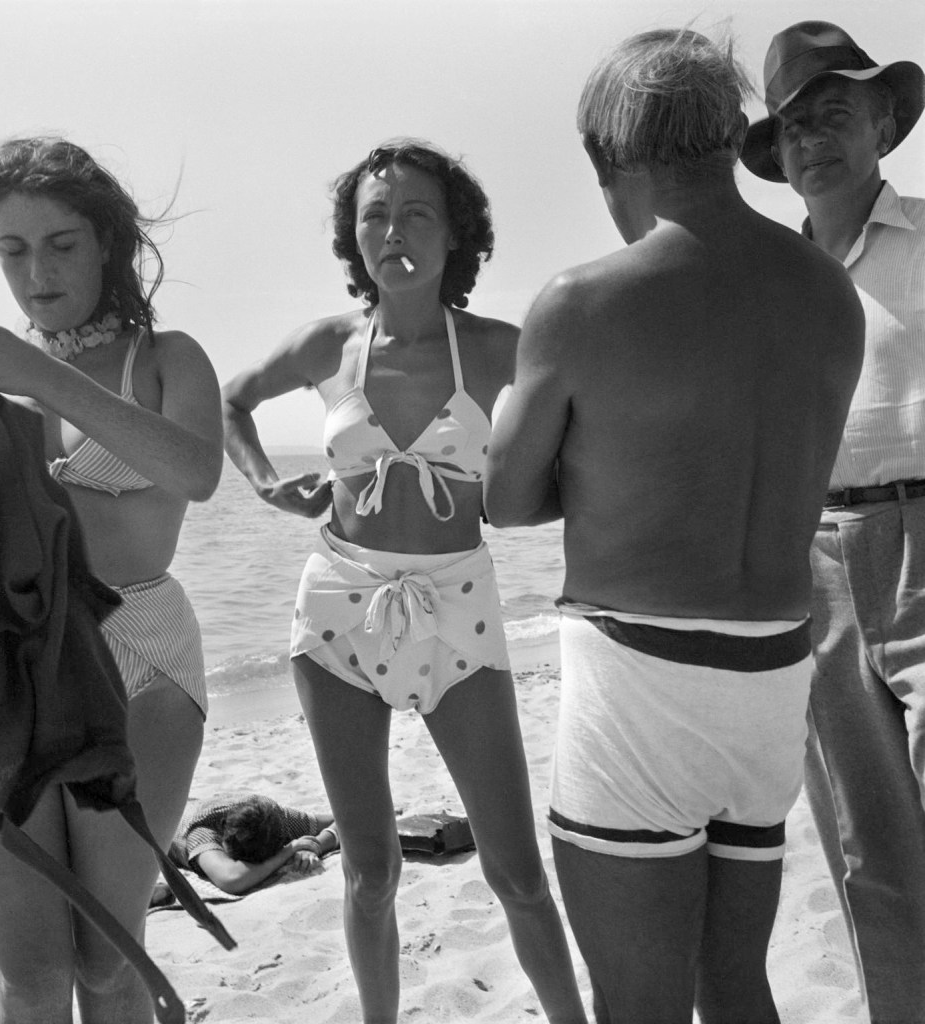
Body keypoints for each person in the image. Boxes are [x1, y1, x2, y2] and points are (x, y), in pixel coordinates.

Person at [485, 29, 864, 1024]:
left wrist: (608, 459)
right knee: (735, 983)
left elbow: (505, 498)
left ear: (612, 157)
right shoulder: (828, 289)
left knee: (639, 1002)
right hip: (776, 674)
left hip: (642, 680)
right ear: (734, 139)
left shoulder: (579, 302)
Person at [222, 138, 587, 1024]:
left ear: (456, 230)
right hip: (338, 607)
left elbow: (594, 438)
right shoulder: (327, 345)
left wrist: (531, 497)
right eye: (374, 216)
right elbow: (229, 401)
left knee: (515, 872)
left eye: (416, 212)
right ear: (355, 240)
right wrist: (266, 483)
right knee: (370, 869)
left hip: (456, 604)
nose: (393, 231)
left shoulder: (503, 348)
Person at [0, 136, 223, 1024]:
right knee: (29, 975)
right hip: (9, 669)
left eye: (62, 243)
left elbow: (195, 470)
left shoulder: (164, 359)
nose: (37, 271)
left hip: (139, 651)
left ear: (106, 241)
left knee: (108, 961)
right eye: (12, 249)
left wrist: (43, 379)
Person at [740, 21, 925, 1021]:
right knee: (869, 855)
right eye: (794, 123)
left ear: (883, 120)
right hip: (810, 568)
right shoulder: (764, 282)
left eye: (835, 112)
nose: (814, 137)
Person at [168, 793, 339, 894]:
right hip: (173, 813)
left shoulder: (277, 818)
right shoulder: (203, 830)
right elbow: (231, 879)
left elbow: (345, 819)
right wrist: (289, 851)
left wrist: (316, 845)